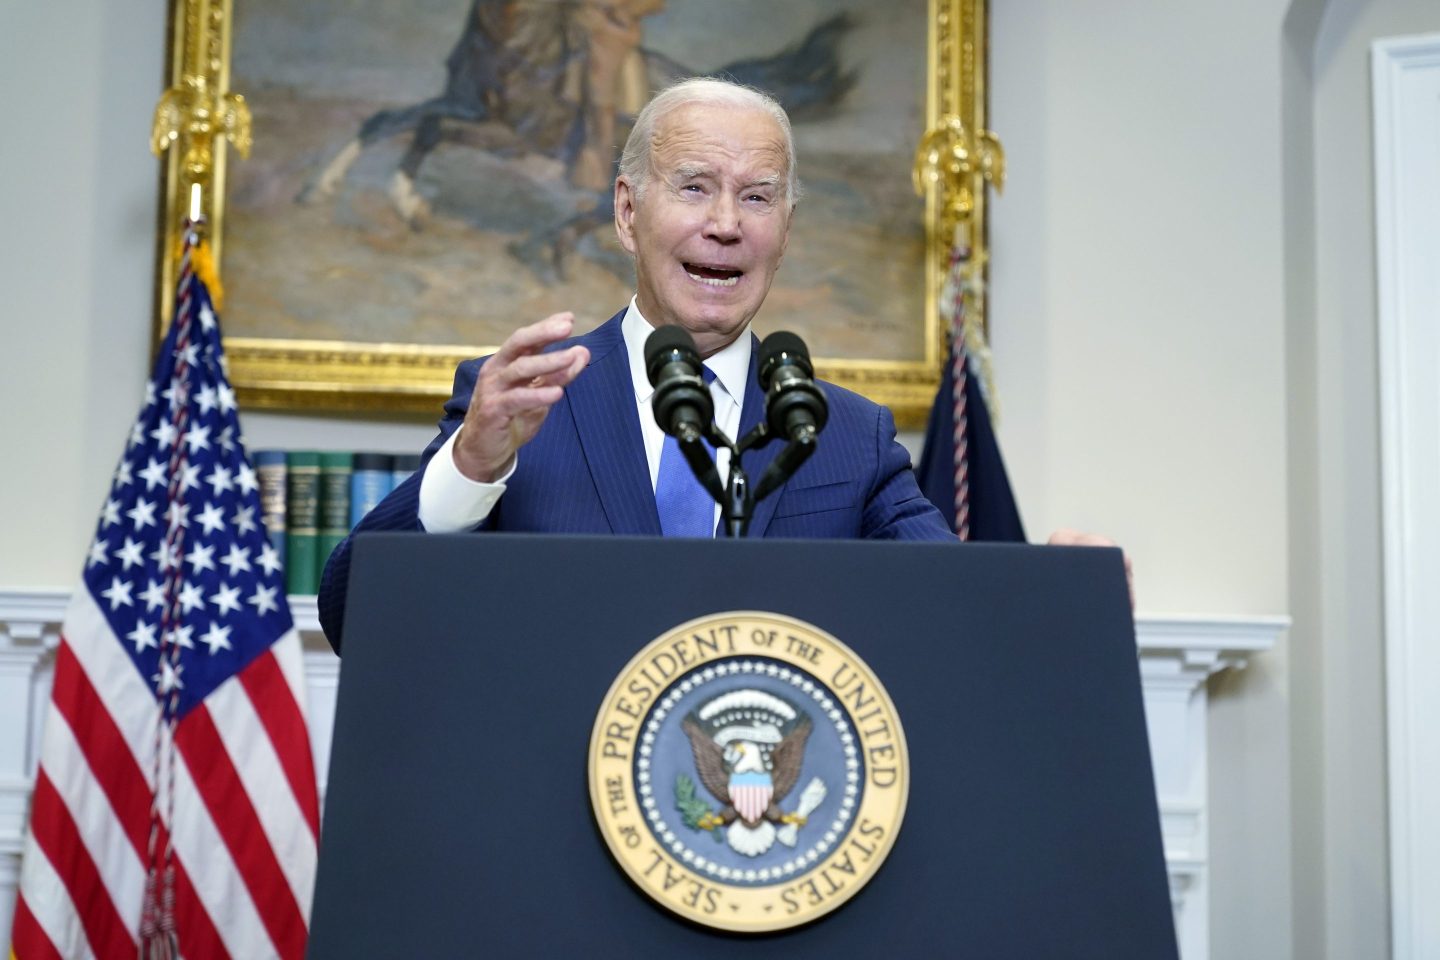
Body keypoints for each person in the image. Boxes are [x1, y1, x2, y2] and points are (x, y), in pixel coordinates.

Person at [317, 77, 1127, 652]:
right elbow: (357, 615)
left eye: (759, 196)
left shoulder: (843, 435)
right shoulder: (521, 403)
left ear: (786, 226)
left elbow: (957, 617)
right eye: (696, 186)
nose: (727, 224)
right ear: (629, 212)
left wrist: (1059, 597)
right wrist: (471, 466)